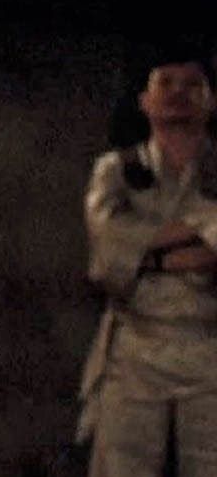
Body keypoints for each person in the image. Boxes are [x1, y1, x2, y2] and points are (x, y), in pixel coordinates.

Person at [77, 48, 217, 476]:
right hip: (135, 349)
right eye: (166, 83)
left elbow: (130, 244)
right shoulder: (116, 172)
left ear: (211, 101)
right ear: (145, 100)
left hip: (210, 345)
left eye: (192, 85)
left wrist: (149, 253)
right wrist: (201, 233)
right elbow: (108, 249)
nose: (178, 93)